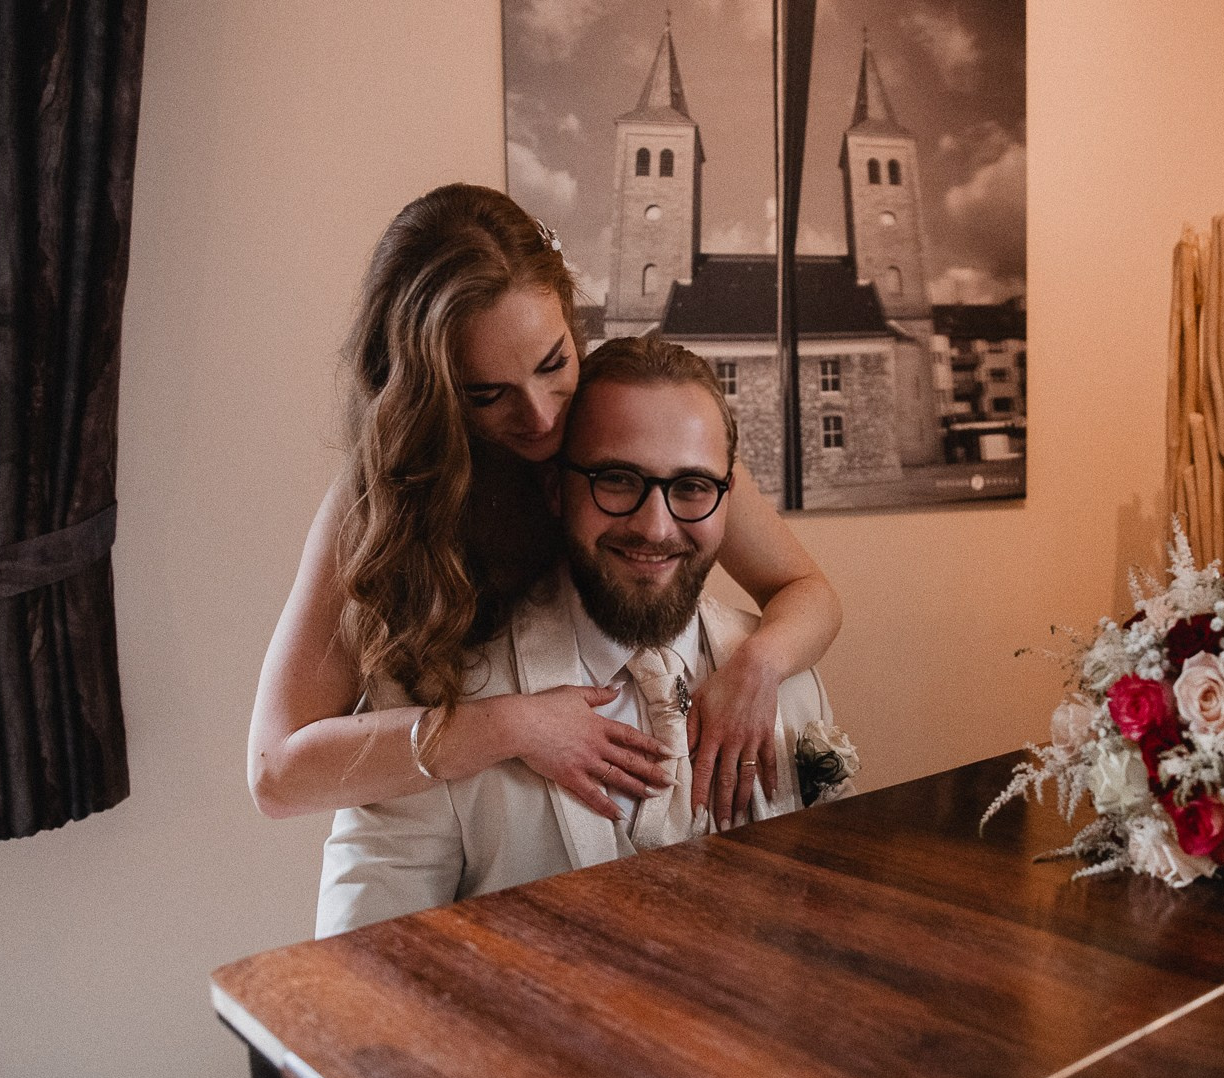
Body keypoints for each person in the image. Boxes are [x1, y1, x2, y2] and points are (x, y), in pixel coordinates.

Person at [249, 183, 841, 835]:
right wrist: (511, 723)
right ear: (429, 389)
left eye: (554, 363)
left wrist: (756, 667)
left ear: (569, 316)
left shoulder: (636, 423)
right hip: (463, 822)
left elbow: (808, 590)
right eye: (487, 393)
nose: (540, 416)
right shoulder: (383, 490)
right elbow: (277, 773)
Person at [315, 335, 846, 935]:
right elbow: (363, 970)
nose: (656, 527)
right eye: (617, 479)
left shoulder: (790, 677)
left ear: (728, 497)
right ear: (554, 489)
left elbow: (818, 920)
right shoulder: (434, 688)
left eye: (692, 487)